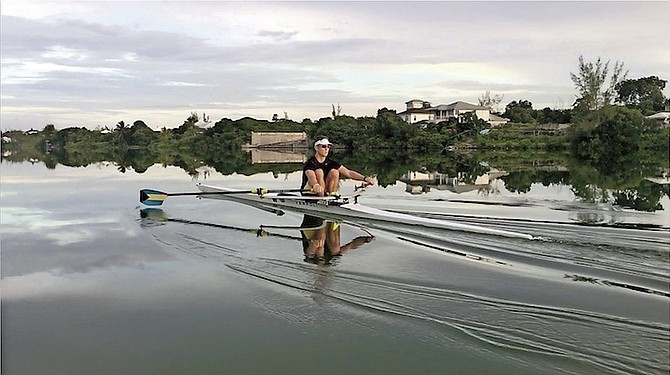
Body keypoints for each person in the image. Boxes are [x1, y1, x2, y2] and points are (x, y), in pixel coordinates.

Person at [302, 136, 376, 196]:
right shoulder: (310, 163)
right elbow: (311, 177)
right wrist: (315, 185)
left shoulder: (330, 162)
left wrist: (365, 178)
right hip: (310, 192)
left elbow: (349, 173)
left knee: (335, 171)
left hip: (324, 190)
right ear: (316, 148)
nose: (326, 149)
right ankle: (321, 198)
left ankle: (332, 195)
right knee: (319, 171)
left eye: (328, 146)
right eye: (324, 146)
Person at [300, 215, 375, 265]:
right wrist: (366, 240)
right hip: (326, 225)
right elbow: (351, 245)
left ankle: (325, 216)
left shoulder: (311, 259)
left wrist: (314, 245)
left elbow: (312, 248)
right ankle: (330, 217)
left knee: (318, 245)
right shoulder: (333, 256)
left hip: (312, 225)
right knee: (335, 250)